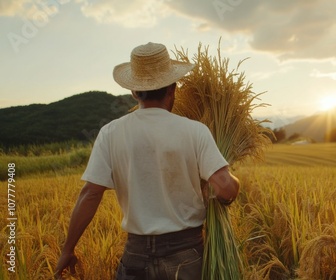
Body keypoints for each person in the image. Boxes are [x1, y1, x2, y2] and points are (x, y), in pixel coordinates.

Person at [55, 42, 240, 280]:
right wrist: (232, 179)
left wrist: (67, 249)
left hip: (136, 256)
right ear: (173, 88)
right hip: (186, 255)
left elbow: (90, 193)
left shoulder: (110, 133)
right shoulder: (195, 131)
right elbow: (226, 188)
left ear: (133, 91)